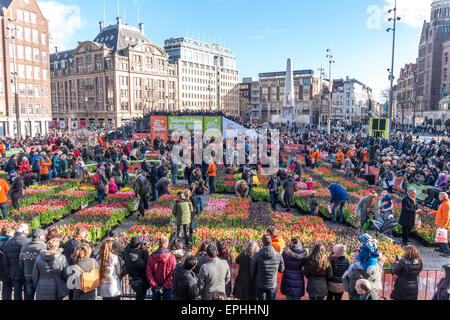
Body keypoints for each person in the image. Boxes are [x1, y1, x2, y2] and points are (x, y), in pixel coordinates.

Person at [250, 235, 285, 301]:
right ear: (271, 242)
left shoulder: (257, 255)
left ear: (263, 242)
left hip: (260, 283)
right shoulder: (278, 255)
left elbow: (252, 270)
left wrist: (255, 278)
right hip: (272, 283)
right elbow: (281, 269)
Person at [2, 223, 30, 300]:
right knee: (28, 292)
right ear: (24, 231)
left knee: (17, 293)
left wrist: (8, 272)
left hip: (14, 272)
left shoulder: (8, 242)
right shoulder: (28, 241)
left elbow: (5, 259)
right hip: (26, 271)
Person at [19, 229, 46, 300]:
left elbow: (21, 262)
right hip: (41, 276)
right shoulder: (44, 247)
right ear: (40, 237)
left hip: (28, 274)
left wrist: (25, 270)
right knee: (40, 296)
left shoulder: (24, 246)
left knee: (28, 296)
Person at [146, 236, 176, 300]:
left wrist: (154, 285)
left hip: (155, 286)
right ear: (167, 244)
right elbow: (173, 274)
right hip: (168, 286)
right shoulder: (171, 257)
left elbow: (149, 273)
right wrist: (165, 286)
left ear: (159, 244)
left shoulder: (151, 256)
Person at [429, 192, 450, 257]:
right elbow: (440, 212)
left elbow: (447, 216)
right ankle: (442, 248)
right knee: (441, 237)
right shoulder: (444, 203)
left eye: (439, 196)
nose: (438, 197)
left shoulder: (446, 204)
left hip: (443, 224)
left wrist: (443, 225)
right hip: (441, 223)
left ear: (443, 197)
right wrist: (432, 213)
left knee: (443, 238)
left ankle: (447, 252)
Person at [0, 226, 14, 300]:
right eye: (12, 232)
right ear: (8, 233)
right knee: (7, 286)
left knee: (5, 286)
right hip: (7, 266)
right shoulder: (9, 241)